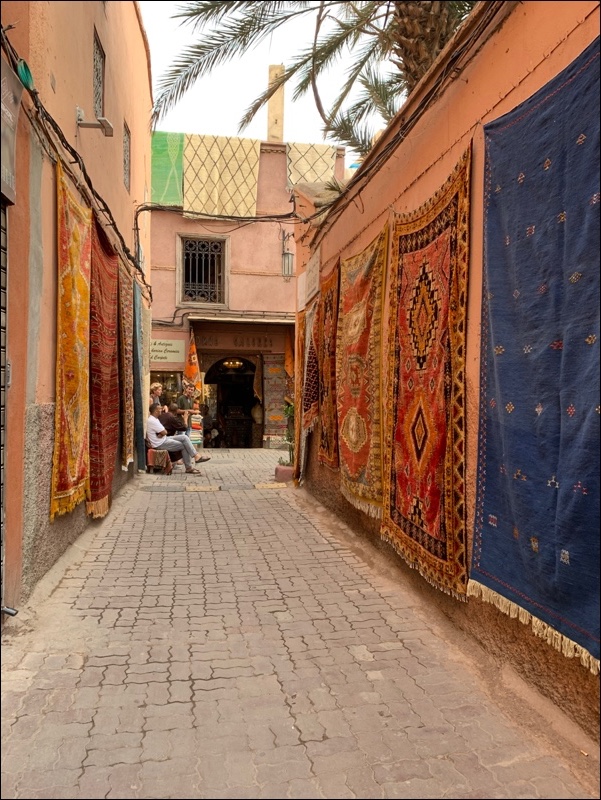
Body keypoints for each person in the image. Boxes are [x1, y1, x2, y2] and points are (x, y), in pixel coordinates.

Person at [146, 403, 206, 474]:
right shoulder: (152, 420)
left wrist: (162, 433)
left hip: (163, 439)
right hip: (160, 443)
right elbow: (165, 432)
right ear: (156, 411)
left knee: (184, 437)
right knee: (184, 445)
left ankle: (196, 456)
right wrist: (185, 419)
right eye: (159, 409)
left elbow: (163, 432)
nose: (161, 410)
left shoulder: (155, 419)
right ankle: (189, 467)